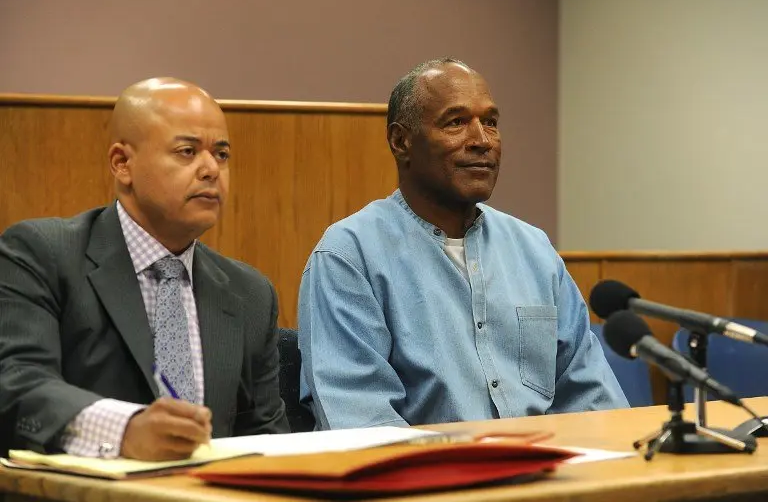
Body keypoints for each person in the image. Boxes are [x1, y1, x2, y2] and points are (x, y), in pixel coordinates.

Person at [298, 58, 628, 430]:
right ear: (400, 141)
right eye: (456, 122)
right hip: (428, 482)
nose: (482, 141)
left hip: (546, 479)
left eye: (490, 122)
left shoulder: (534, 251)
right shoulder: (348, 255)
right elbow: (361, 421)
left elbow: (594, 400)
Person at [0, 78, 288, 460]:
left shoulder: (250, 292)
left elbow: (266, 438)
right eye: (187, 151)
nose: (211, 170)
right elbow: (18, 382)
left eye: (221, 154)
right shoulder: (42, 254)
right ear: (122, 164)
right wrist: (125, 431)